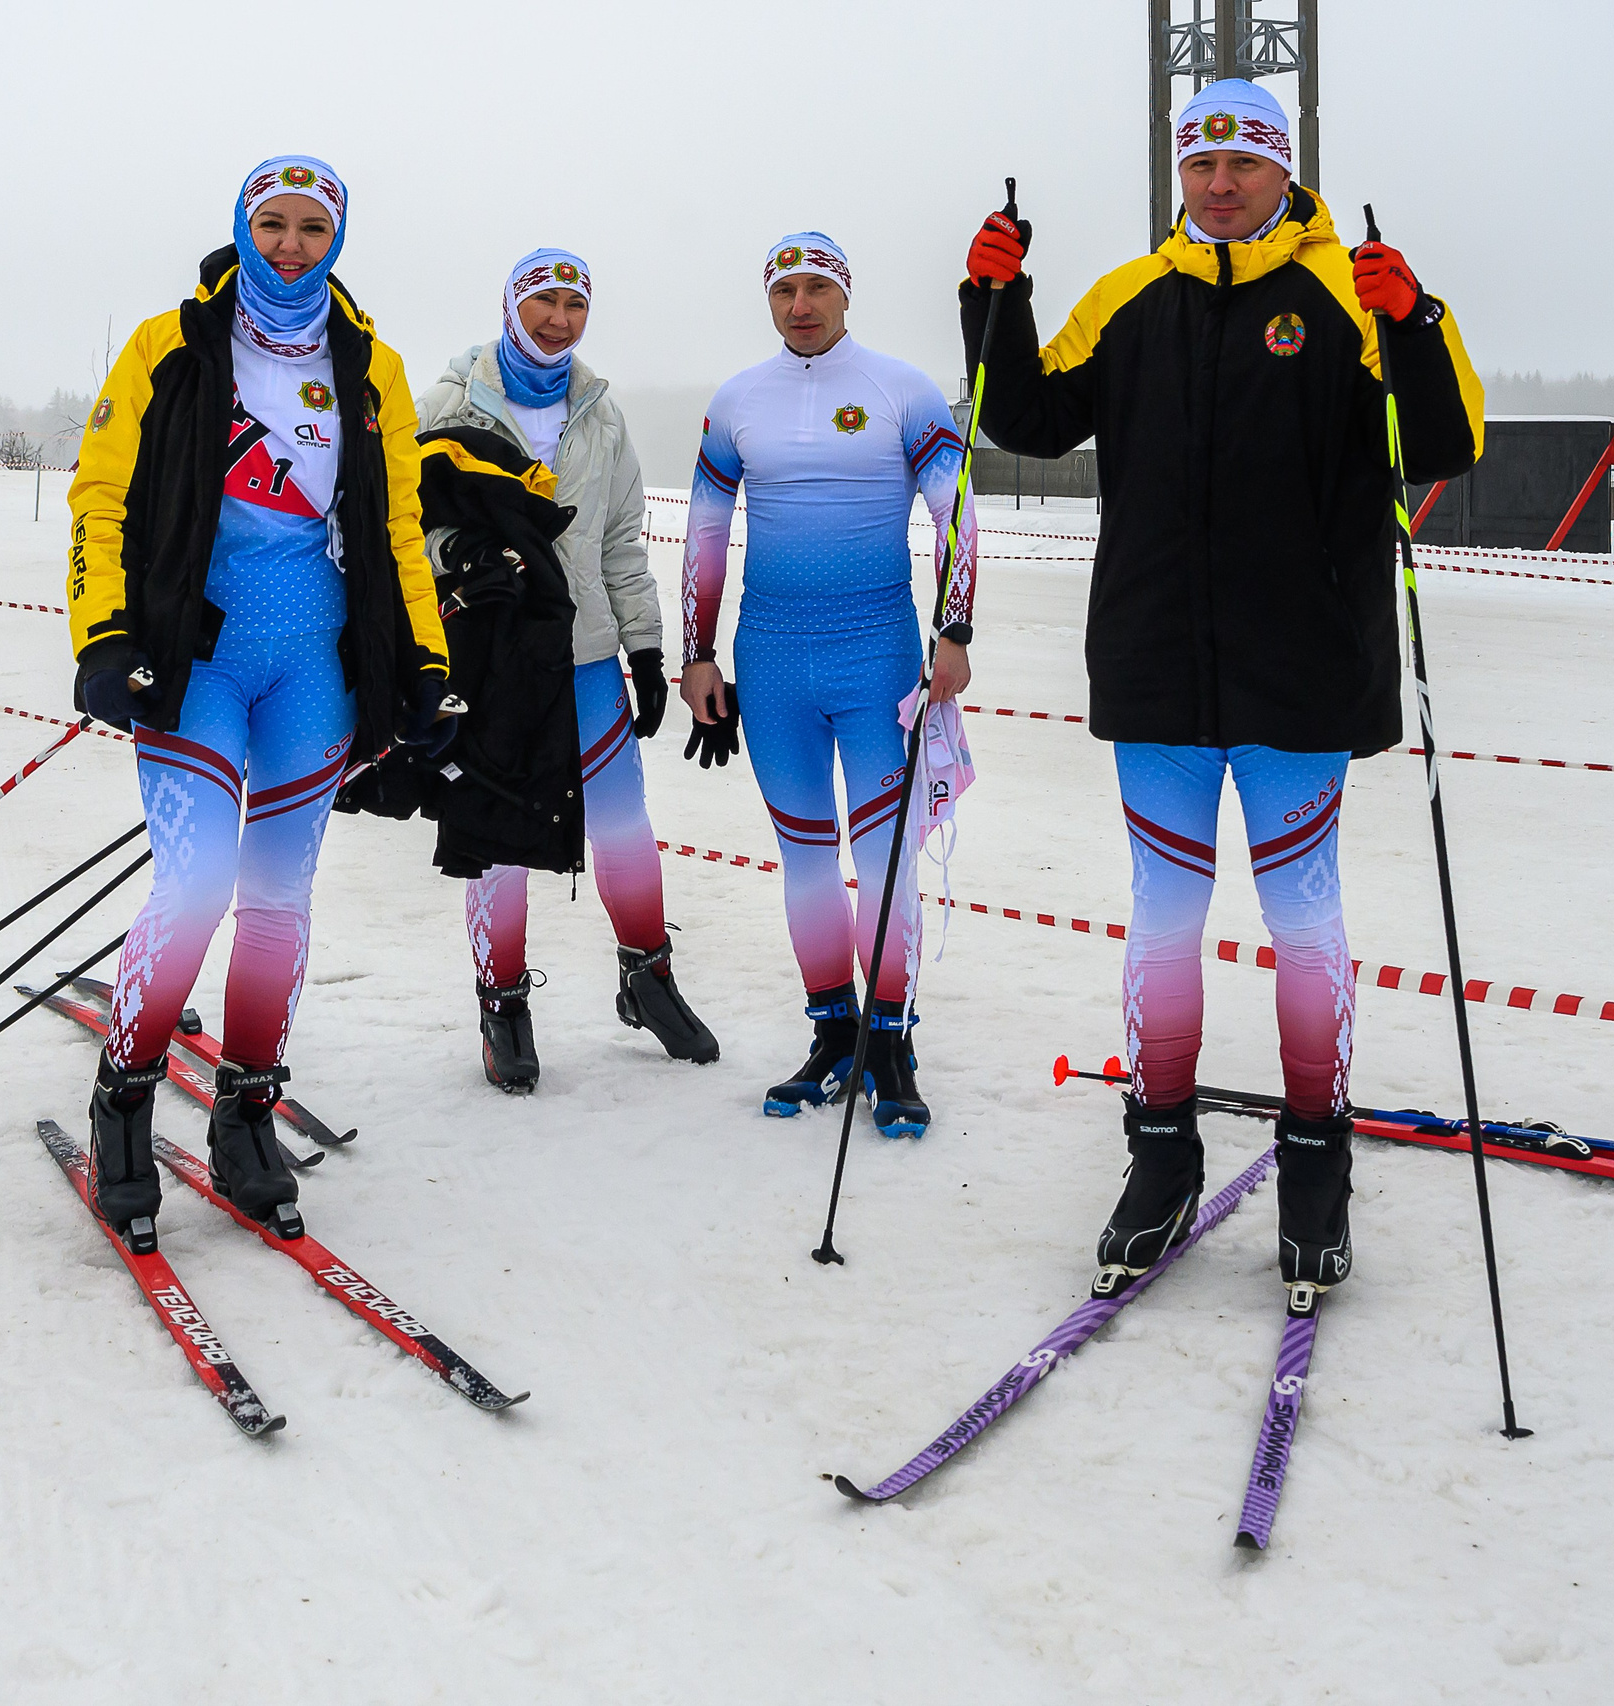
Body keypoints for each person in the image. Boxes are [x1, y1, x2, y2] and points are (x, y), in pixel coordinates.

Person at [959, 80, 1484, 1298]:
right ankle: (1162, 1153)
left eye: (1242, 161)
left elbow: (1443, 443)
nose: (1218, 182)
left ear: (1281, 168)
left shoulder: (1342, 291)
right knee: (1162, 918)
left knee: (1302, 920)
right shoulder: (1129, 297)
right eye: (1199, 161)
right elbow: (1026, 417)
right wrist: (994, 297)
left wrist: (1412, 320)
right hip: (1156, 668)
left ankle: (1314, 1159)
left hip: (1299, 669)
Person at [65, 156, 455, 1246]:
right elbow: (101, 499)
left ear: (337, 238)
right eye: (270, 224)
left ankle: (247, 1111)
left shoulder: (370, 363)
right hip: (199, 660)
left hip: (313, 668)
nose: (289, 245)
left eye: (310, 228)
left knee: (279, 898)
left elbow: (394, 532)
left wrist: (422, 662)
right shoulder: (170, 344)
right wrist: (102, 634)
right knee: (192, 885)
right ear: (241, 226)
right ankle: (126, 1100)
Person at [680, 233, 978, 1139]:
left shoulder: (902, 389)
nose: (800, 304)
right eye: (784, 290)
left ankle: (892, 1043)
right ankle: (832, 1033)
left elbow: (954, 510)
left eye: (817, 288)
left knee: (883, 857)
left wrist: (954, 627)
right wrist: (698, 653)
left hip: (878, 652)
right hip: (770, 657)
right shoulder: (739, 400)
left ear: (845, 295)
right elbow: (702, 531)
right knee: (805, 854)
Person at [417, 249, 715, 1092]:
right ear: (511, 306)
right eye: (543, 301)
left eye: (574, 306)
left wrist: (646, 648)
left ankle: (647, 975)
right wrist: (465, 556)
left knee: (623, 826)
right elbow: (407, 525)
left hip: (584, 658)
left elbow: (621, 540)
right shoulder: (449, 402)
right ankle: (502, 1001)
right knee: (500, 838)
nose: (558, 319)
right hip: (493, 658)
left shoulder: (601, 414)